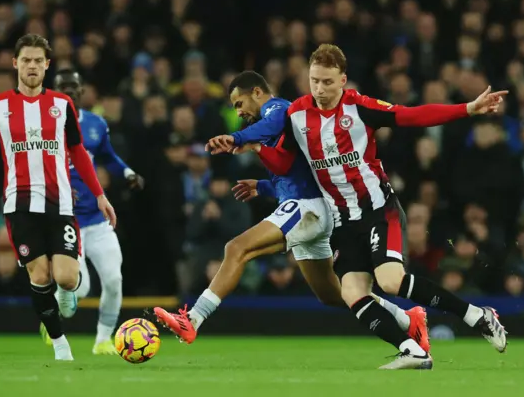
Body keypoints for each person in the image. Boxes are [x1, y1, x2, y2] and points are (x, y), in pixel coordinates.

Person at [207, 45, 508, 369]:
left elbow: (412, 116)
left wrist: (467, 108)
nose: (320, 89)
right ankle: (412, 349)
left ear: (343, 81)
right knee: (351, 292)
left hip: (378, 208)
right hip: (342, 220)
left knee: (390, 281)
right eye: (314, 81)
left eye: (327, 82)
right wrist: (255, 148)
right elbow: (287, 164)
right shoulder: (297, 115)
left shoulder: (359, 108)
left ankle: (477, 315)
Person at [153, 71, 430, 353]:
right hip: (313, 209)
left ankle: (193, 318)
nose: (239, 111)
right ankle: (408, 318)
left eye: (240, 104)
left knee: (237, 248)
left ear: (258, 93)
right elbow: (289, 171)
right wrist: (262, 186)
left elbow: (274, 126)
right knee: (333, 294)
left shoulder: (278, 108)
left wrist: (237, 139)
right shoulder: (278, 131)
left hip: (307, 207)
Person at [0, 34, 116, 361]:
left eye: (38, 61)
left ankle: (65, 295)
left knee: (66, 276)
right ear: (15, 64)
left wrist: (100, 196)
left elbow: (78, 151)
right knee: (40, 275)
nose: (32, 66)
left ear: (47, 66)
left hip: (60, 203)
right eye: (26, 60)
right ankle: (61, 345)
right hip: (19, 204)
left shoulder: (62, 105)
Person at [37, 68, 144, 355]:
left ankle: (103, 340)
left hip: (96, 219)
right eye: (63, 87)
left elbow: (107, 155)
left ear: (82, 91)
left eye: (74, 86)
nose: (69, 91)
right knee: (79, 291)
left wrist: (128, 172)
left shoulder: (95, 124)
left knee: (113, 278)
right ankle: (55, 311)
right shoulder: (43, 126)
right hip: (64, 218)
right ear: (54, 91)